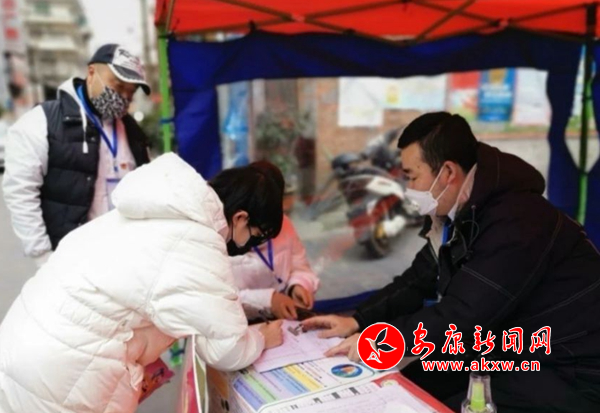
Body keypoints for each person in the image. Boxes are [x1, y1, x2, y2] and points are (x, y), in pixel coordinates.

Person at [303, 112, 600, 412]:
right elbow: (418, 279)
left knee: (429, 405)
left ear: (447, 172)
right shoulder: (461, 211)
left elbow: (464, 314)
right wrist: (359, 320)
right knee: (406, 383)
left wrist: (379, 341)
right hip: (503, 347)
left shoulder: (517, 220)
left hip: (567, 367)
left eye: (412, 177)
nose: (409, 188)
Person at [0, 153, 284, 413]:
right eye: (256, 236)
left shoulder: (152, 210)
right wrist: (262, 338)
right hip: (62, 373)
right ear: (241, 217)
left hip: (22, 339)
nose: (250, 246)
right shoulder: (198, 242)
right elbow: (227, 350)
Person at [2, 44, 152, 268]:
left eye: (131, 92)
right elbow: (21, 192)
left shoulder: (132, 130)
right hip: (71, 260)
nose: (123, 97)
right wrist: (44, 257)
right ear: (91, 72)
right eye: (119, 86)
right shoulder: (43, 121)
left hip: (124, 256)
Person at [229, 161, 320, 320]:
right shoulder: (221, 235)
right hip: (237, 323)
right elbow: (215, 298)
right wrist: (268, 300)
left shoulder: (284, 224)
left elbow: (301, 267)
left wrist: (298, 286)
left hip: (280, 321)